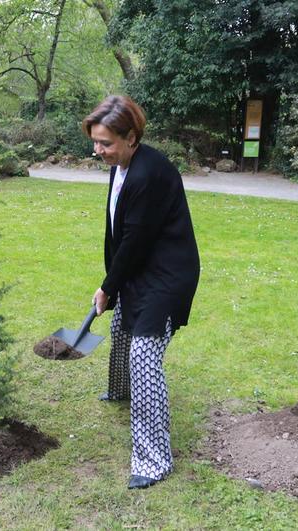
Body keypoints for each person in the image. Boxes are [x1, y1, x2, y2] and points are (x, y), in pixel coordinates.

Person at [81, 96, 200, 489]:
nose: (98, 151)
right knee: (121, 328)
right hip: (142, 266)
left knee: (144, 353)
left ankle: (153, 460)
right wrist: (112, 286)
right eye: (95, 142)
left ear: (131, 137)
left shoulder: (148, 174)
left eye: (105, 143)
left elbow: (135, 241)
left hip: (168, 273)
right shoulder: (122, 166)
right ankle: (119, 389)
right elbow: (117, 233)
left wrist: (108, 286)